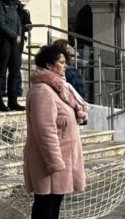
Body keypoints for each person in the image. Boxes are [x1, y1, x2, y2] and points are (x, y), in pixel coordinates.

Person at [24, 45, 87, 219]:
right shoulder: (42, 92)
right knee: (45, 207)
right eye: (61, 62)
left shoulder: (58, 88)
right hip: (49, 164)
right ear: (49, 65)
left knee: (53, 207)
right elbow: (45, 131)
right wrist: (55, 163)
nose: (65, 66)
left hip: (61, 162)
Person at [0, 0, 24, 112]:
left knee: (15, 71)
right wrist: (13, 35)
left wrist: (19, 35)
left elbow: (17, 22)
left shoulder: (11, 4)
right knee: (1, 72)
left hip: (15, 42)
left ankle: (13, 100)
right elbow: (0, 24)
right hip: (4, 41)